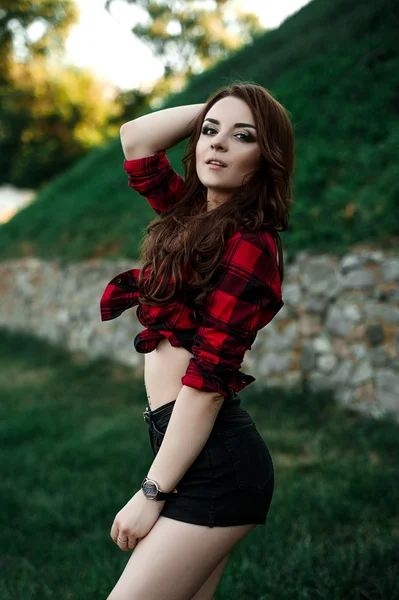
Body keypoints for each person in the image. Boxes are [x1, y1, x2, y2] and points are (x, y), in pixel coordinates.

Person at [100, 81, 294, 600]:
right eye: (210, 132)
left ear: (265, 158)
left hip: (217, 466)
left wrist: (151, 492)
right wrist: (222, 107)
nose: (217, 144)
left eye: (243, 137)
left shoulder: (252, 244)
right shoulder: (189, 215)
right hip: (186, 448)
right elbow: (136, 138)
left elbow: (208, 381)